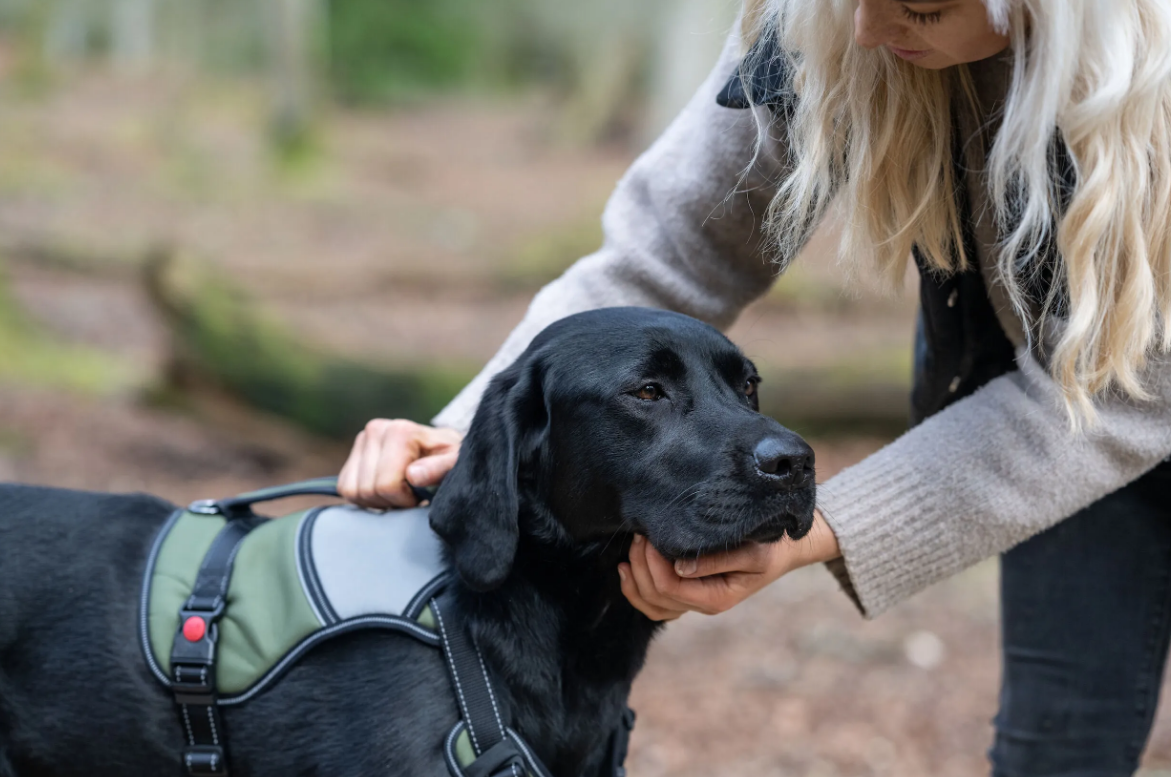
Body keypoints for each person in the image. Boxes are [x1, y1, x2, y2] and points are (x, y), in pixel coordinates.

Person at [339, 0, 1171, 771]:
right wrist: (465, 435)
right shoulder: (822, 28)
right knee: (1058, 743)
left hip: (1117, 393)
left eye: (918, 6)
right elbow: (666, 256)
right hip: (1042, 409)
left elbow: (1130, 398)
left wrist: (824, 528)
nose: (869, 32)